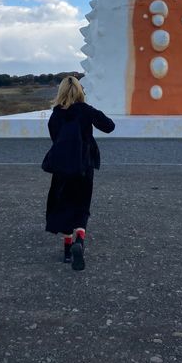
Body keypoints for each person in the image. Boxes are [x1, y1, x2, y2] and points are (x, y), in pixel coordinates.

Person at [45, 75, 115, 271]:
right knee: (82, 205)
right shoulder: (85, 111)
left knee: (65, 204)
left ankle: (67, 251)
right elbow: (109, 126)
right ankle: (80, 241)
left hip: (61, 167)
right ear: (80, 91)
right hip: (84, 166)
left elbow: (54, 138)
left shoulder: (56, 114)